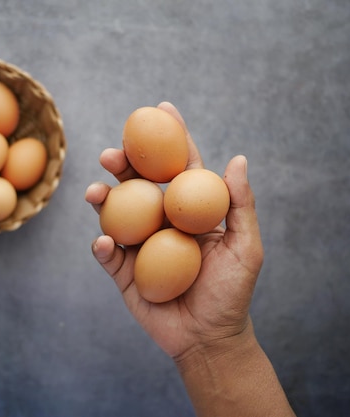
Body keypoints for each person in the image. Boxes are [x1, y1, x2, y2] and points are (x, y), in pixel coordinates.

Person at [85, 101, 296, 417]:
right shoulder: (172, 212)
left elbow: (191, 203)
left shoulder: (183, 227)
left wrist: (213, 340)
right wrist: (212, 344)